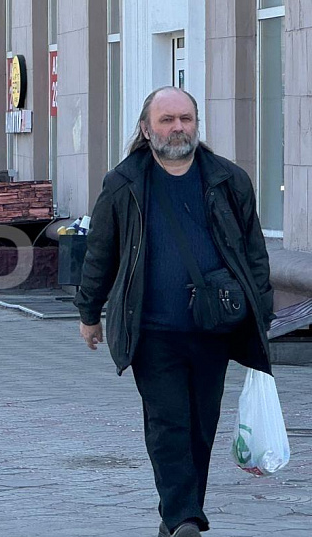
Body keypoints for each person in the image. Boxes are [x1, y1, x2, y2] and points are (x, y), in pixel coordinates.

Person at [73, 87, 274, 537]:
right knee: (168, 424)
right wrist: (89, 312)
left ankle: (180, 516)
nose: (177, 127)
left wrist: (262, 313)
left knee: (202, 426)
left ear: (196, 125)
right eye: (166, 120)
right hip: (153, 329)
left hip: (214, 328)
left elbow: (253, 253)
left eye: (185, 118)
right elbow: (100, 253)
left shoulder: (228, 180)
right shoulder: (123, 183)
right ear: (146, 129)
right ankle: (183, 518)